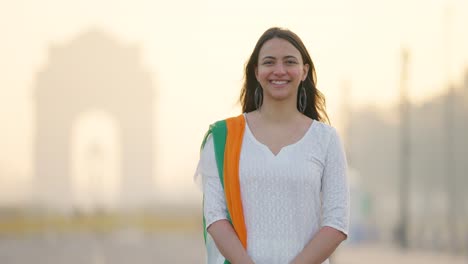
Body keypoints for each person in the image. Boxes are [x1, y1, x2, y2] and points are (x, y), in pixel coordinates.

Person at [194, 27, 349, 264]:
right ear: (256, 71)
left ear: (304, 71)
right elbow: (215, 217)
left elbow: (336, 223)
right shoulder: (223, 138)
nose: (279, 71)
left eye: (289, 62)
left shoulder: (326, 139)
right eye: (269, 62)